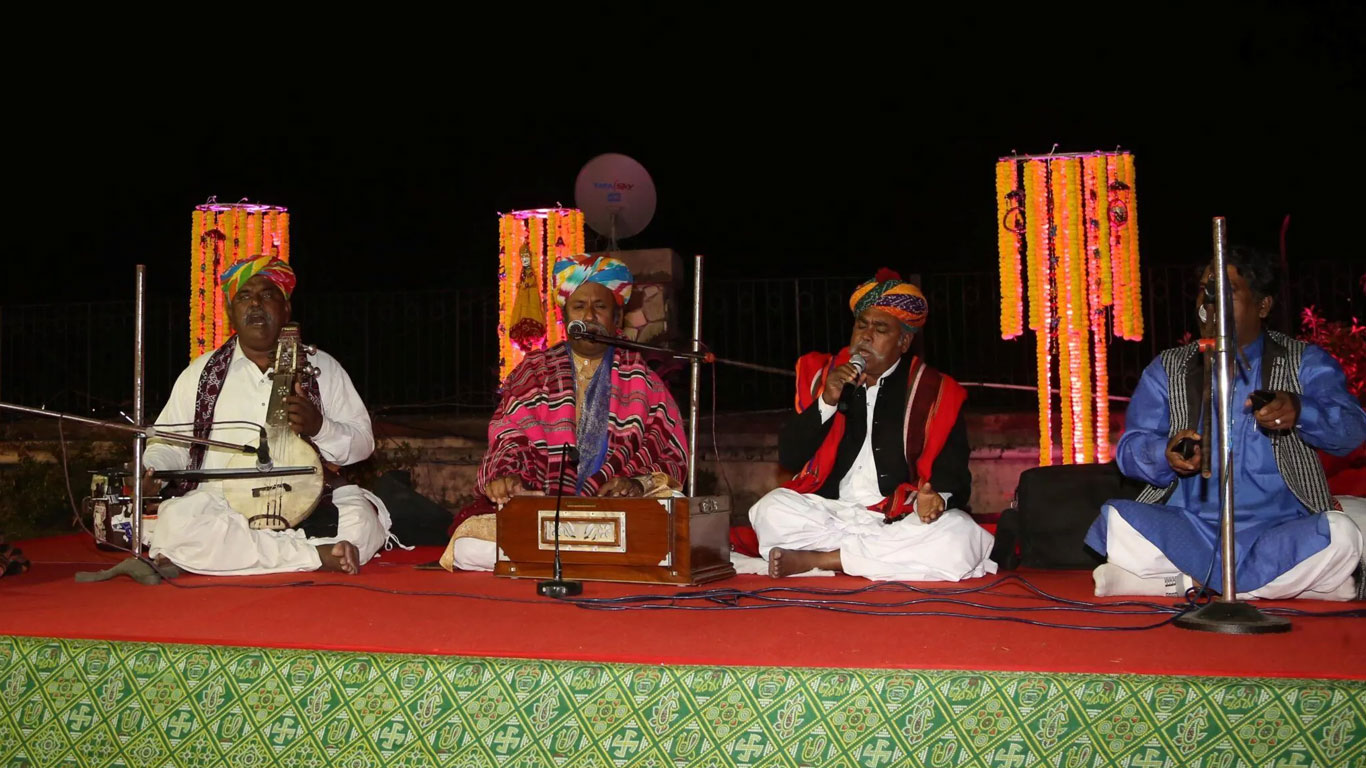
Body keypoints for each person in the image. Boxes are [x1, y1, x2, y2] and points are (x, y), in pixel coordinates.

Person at [1086, 246, 1366, 600]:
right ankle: (1290, 586)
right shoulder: (1169, 368)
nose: (1211, 300)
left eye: (1226, 291)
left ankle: (1185, 584)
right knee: (1116, 519)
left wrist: (1301, 409)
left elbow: (1352, 430)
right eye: (1206, 289)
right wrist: (1164, 452)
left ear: (1262, 306)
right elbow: (1128, 452)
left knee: (1342, 534)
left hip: (1280, 531)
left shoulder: (1303, 363)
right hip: (1193, 529)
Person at [138, 255, 392, 576]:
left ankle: (234, 556)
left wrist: (320, 427)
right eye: (244, 296)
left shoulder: (324, 368)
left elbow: (363, 445)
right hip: (223, 504)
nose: (255, 304)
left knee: (364, 523)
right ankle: (316, 555)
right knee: (177, 523)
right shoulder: (200, 373)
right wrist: (153, 469)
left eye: (268, 294)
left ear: (286, 309)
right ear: (232, 313)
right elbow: (169, 442)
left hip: (309, 500)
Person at [742, 269, 994, 581]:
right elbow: (790, 457)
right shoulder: (825, 377)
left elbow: (954, 476)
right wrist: (828, 401)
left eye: (880, 329)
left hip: (896, 517)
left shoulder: (936, 393)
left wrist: (937, 497)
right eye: (861, 325)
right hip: (832, 512)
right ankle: (872, 557)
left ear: (903, 341)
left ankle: (825, 559)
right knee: (770, 510)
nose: (865, 336)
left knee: (959, 536)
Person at [442, 253, 688, 571]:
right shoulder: (533, 371)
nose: (589, 315)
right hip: (542, 507)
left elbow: (669, 452)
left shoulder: (644, 380)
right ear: (565, 315)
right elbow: (509, 436)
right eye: (579, 306)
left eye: (600, 307)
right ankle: (593, 557)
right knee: (468, 546)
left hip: (616, 511)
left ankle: (565, 556)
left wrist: (636, 483)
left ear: (617, 316)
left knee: (675, 521)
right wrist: (509, 478)